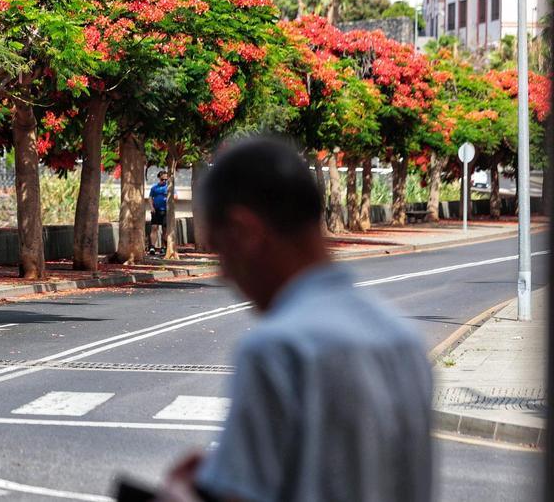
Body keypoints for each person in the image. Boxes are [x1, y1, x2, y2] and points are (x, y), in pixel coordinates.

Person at [159, 136, 432, 502]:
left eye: (218, 251)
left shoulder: (277, 349)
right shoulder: (404, 341)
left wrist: (178, 493)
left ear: (245, 231)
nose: (222, 274)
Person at [148, 171, 170, 255]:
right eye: (162, 179)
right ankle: (152, 247)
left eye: (165, 179)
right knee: (154, 228)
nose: (164, 181)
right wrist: (151, 207)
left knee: (165, 230)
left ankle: (163, 247)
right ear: (159, 178)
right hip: (155, 210)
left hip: (165, 211)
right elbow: (150, 197)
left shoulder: (169, 187)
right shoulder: (154, 188)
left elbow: (175, 197)